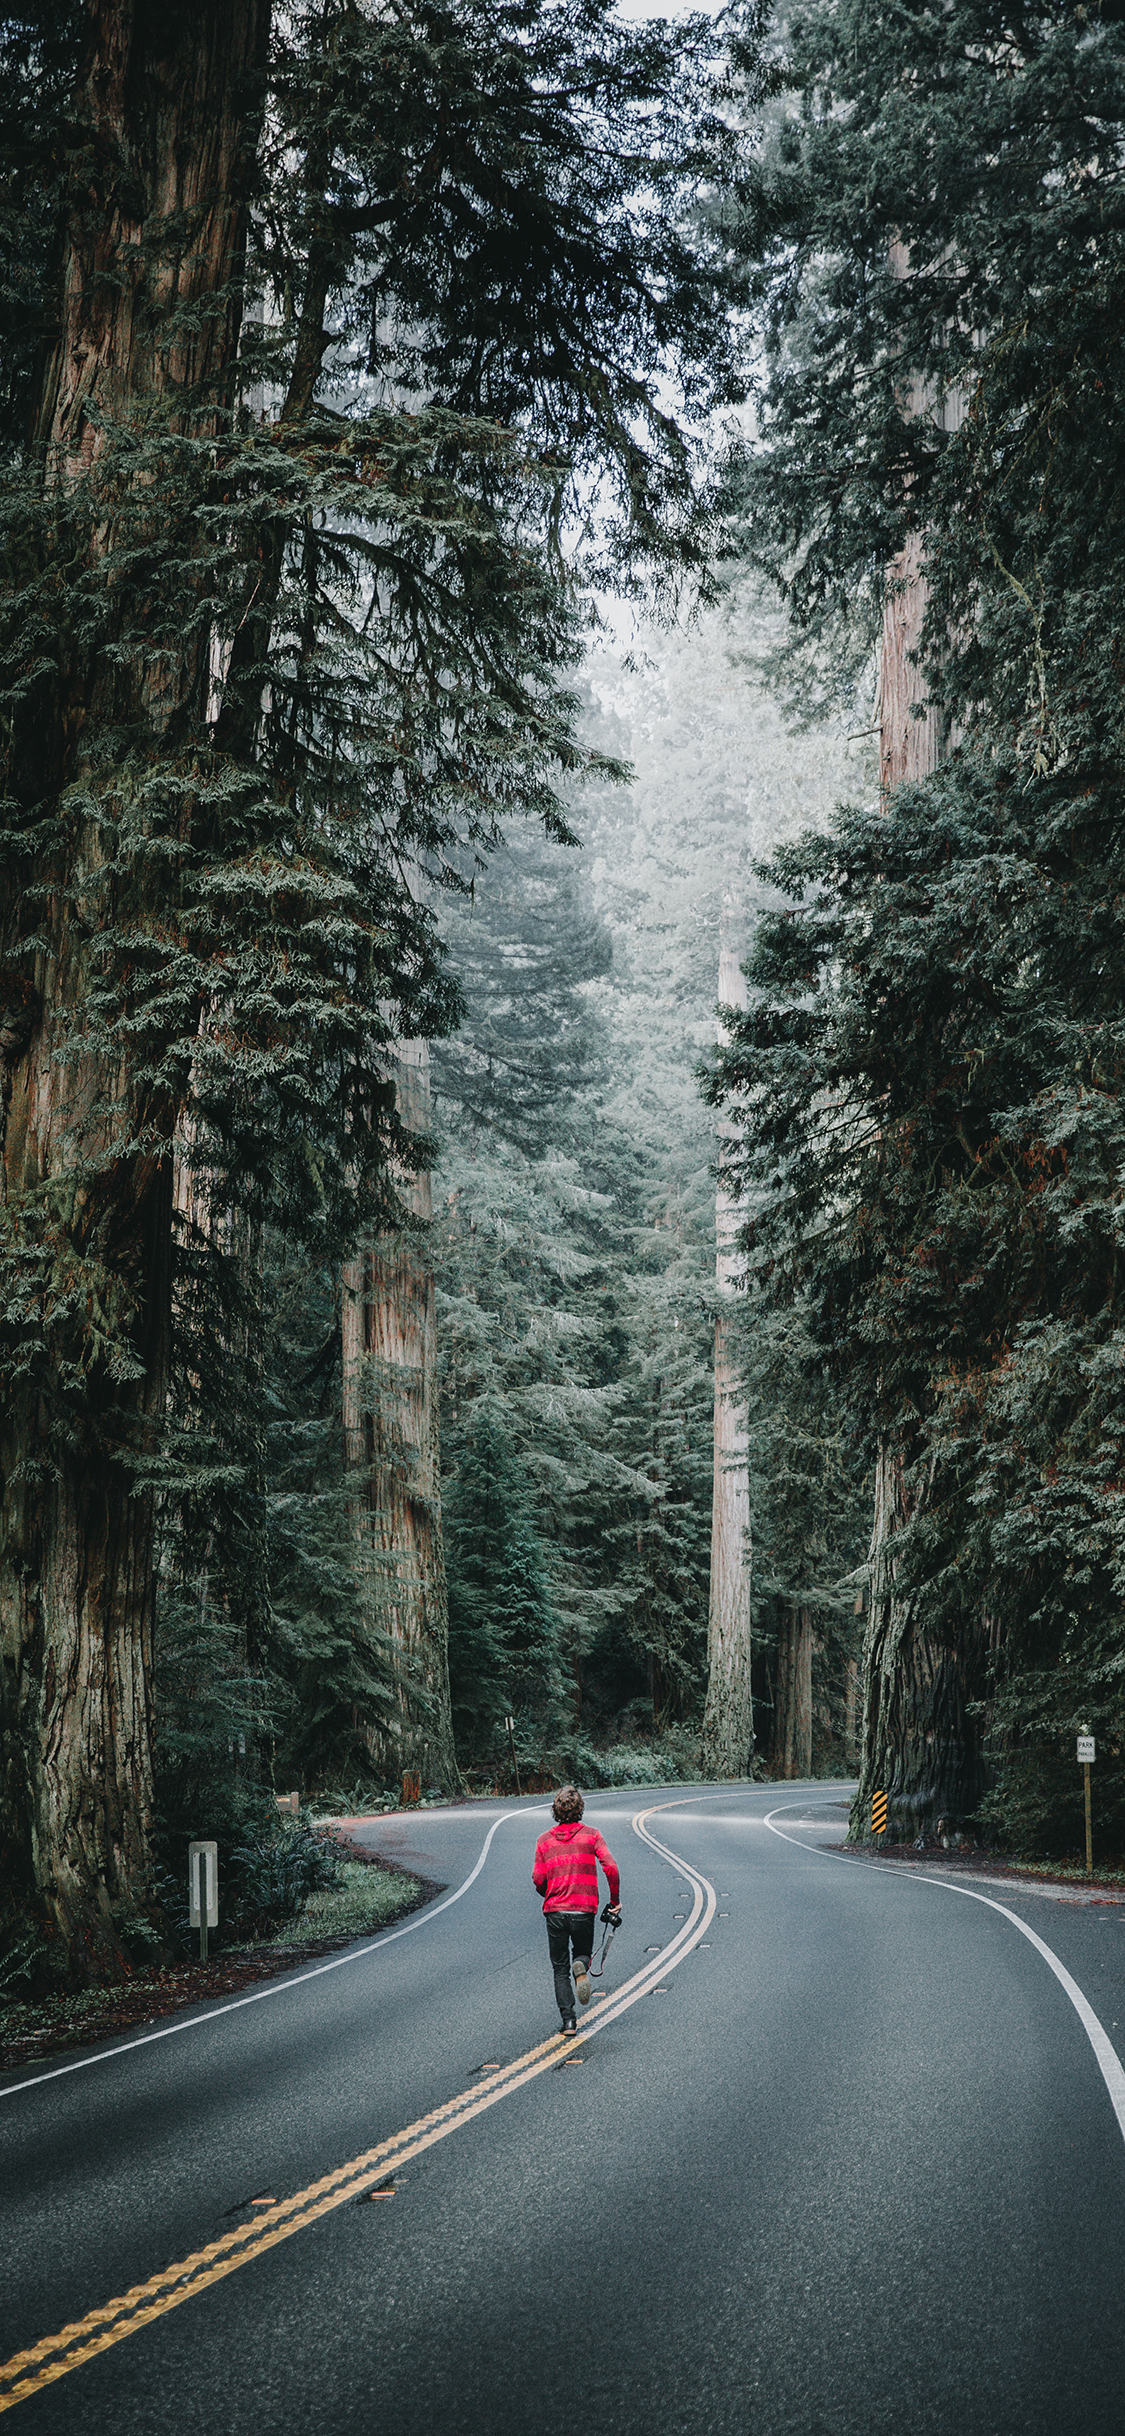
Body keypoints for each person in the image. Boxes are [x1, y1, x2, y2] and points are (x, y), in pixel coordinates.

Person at [532, 1785, 621, 2037]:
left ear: (555, 1810)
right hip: (584, 1910)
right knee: (581, 1954)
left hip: (555, 1912)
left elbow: (538, 1878)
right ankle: (580, 1966)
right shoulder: (592, 1835)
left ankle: (569, 2022)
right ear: (580, 1809)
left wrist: (550, 1894)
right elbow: (611, 1867)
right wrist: (614, 1900)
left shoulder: (543, 1841)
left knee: (559, 1967)